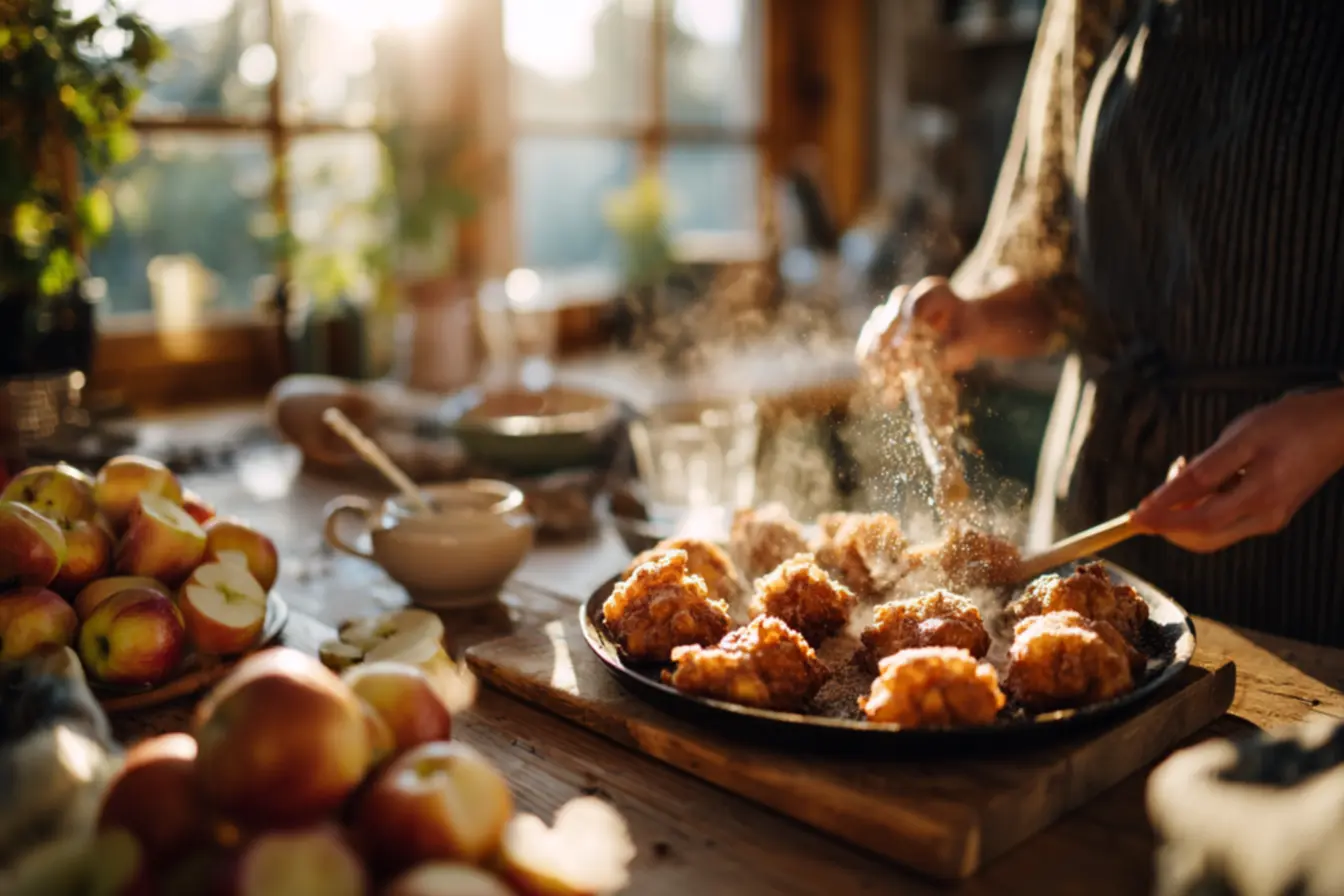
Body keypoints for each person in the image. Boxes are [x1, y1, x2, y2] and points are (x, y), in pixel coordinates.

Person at [862, 0, 1344, 645]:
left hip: (1316, 538)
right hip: (1096, 489)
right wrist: (973, 319)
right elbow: (1055, 279)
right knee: (1060, 678)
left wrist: (1334, 422)